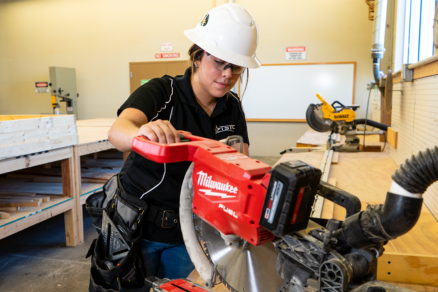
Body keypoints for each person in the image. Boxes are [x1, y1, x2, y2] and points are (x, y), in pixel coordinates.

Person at [107, 3, 260, 280]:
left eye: (236, 67)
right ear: (198, 56)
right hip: (136, 226)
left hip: (189, 230)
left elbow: (240, 163)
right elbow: (118, 131)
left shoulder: (232, 106)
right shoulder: (163, 91)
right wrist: (143, 133)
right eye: (219, 63)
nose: (227, 75)